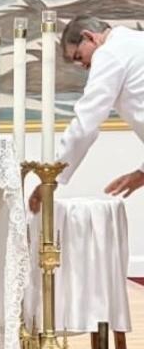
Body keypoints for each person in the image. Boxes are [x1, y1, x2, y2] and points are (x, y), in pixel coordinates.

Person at [28, 16, 144, 213]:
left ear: (89, 37)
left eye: (79, 57)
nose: (81, 66)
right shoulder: (136, 40)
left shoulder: (109, 53)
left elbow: (86, 124)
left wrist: (53, 178)